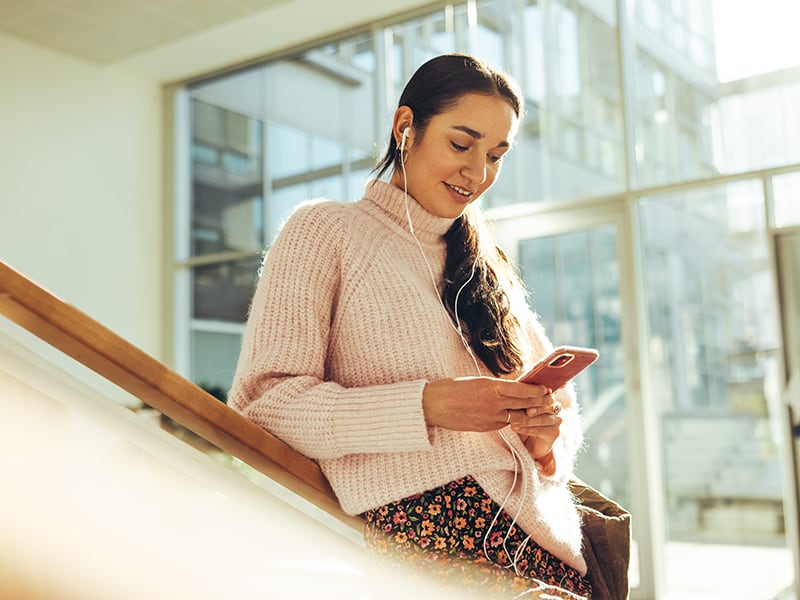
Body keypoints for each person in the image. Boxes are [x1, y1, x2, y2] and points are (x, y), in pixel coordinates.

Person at [228, 53, 593, 599]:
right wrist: (429, 404)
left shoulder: (489, 267)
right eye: (461, 144)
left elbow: (562, 423)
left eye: (496, 155)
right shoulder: (325, 231)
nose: (479, 172)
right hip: (434, 545)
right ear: (406, 128)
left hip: (551, 550)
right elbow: (265, 405)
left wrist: (545, 442)